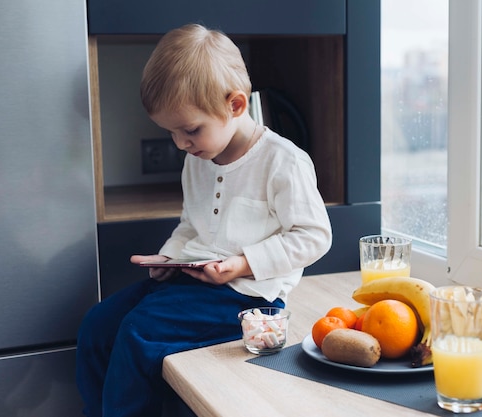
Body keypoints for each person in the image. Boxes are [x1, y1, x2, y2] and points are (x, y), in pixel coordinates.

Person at [76, 24, 332, 417]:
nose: (180, 143)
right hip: (192, 282)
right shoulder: (197, 160)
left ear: (235, 105)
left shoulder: (283, 161)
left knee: (138, 329)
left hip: (249, 298)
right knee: (97, 324)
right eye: (171, 132)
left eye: (190, 130)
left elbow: (313, 237)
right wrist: (169, 258)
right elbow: (190, 225)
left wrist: (243, 263)